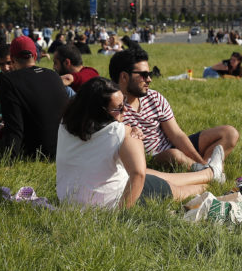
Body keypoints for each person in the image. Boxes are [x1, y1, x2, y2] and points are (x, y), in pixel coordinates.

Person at [56, 77, 215, 208]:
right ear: (99, 111)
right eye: (118, 108)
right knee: (186, 189)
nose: (125, 110)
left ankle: (207, 173)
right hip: (116, 201)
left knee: (151, 175)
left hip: (69, 201)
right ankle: (208, 178)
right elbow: (138, 174)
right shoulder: (120, 132)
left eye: (124, 103)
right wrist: (135, 136)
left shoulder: (66, 125)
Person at [110, 48, 235, 175]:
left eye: (150, 74)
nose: (149, 79)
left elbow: (176, 134)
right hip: (153, 160)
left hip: (172, 148)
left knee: (229, 133)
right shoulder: (112, 107)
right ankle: (210, 172)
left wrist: (200, 161)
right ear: (124, 77)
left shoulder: (154, 97)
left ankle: (206, 169)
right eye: (143, 75)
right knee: (174, 155)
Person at [0, 35, 67, 159]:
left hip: (34, 150)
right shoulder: (53, 75)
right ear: (35, 56)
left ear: (13, 59)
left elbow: (15, 128)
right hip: (61, 147)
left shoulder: (9, 80)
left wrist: (10, 157)